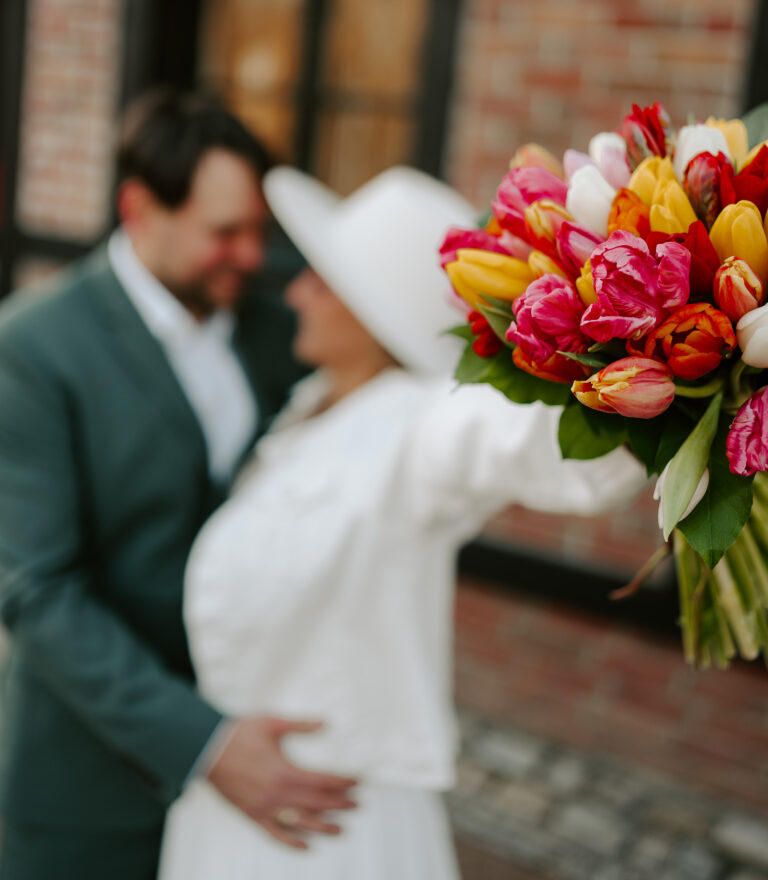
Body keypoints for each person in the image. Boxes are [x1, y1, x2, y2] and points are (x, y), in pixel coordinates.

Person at [158, 165, 648, 880]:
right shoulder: (312, 403)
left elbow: (565, 457)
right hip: (236, 794)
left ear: (372, 310)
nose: (295, 291)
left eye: (320, 280)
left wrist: (654, 348)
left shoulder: (424, 426)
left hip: (329, 821)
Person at [0, 92, 357, 880]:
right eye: (224, 232)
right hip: (88, 784)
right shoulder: (32, 347)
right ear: (138, 209)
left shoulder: (278, 321)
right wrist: (205, 745)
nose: (251, 255)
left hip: (267, 757)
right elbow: (37, 592)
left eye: (259, 231)